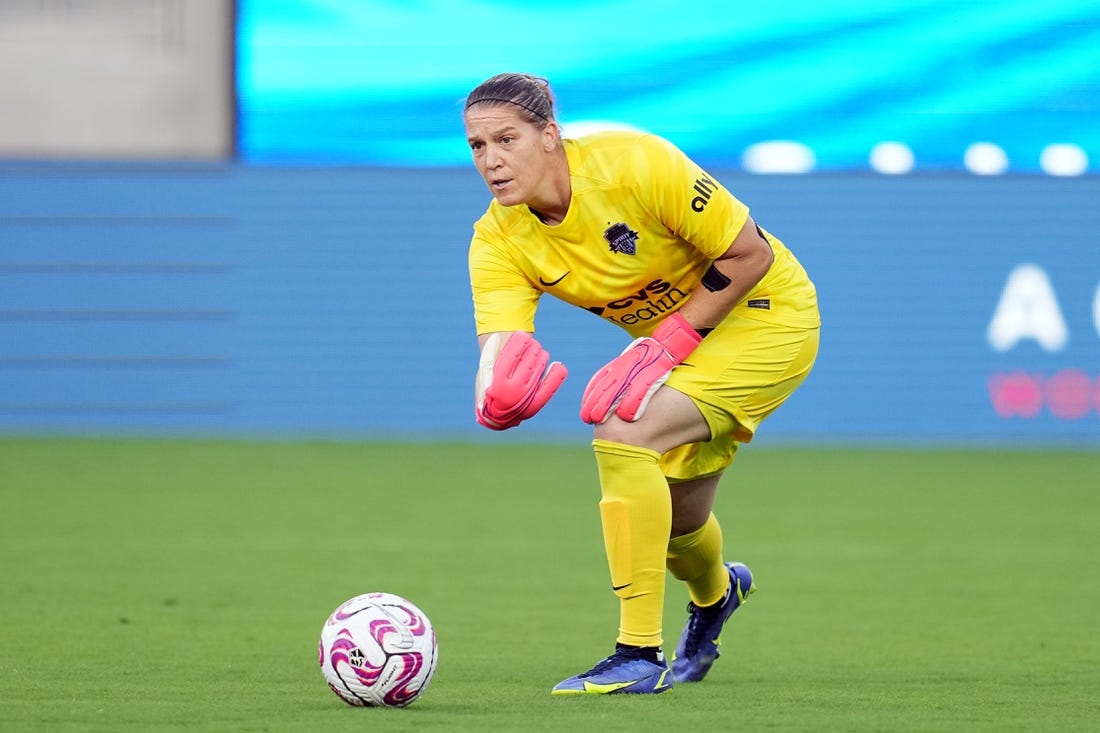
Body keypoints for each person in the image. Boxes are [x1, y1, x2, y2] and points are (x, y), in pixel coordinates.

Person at [464, 73, 820, 696]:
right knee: (679, 524)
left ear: (550, 136)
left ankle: (637, 654)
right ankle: (717, 595)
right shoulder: (497, 240)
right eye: (476, 146)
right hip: (676, 351)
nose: (491, 160)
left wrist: (668, 342)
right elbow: (500, 344)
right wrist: (493, 393)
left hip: (767, 317)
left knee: (623, 432)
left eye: (506, 138)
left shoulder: (634, 163)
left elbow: (750, 255)